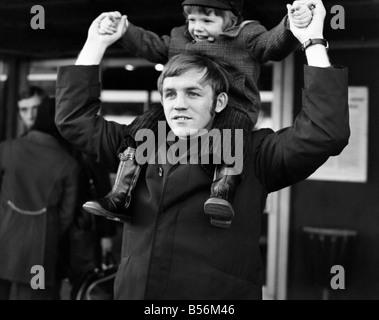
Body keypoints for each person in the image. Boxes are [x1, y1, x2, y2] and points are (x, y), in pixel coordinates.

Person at [55, 0, 350, 299]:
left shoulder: (254, 153)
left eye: (193, 93)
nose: (178, 104)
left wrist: (311, 40)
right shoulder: (139, 143)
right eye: (169, 93)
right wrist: (96, 43)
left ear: (220, 101)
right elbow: (73, 119)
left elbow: (324, 133)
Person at [82, 0, 314, 228]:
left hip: (234, 105)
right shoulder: (180, 39)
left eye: (207, 20)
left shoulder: (246, 36)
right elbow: (151, 45)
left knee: (231, 131)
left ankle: (222, 192)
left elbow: (272, 43)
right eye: (192, 20)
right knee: (143, 125)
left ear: (231, 20)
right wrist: (125, 31)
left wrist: (291, 22)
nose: (197, 27)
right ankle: (121, 194)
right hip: (186, 108)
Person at [0, 96, 79, 300]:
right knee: (37, 292)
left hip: (4, 240)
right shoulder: (68, 163)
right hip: (41, 249)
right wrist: (48, 227)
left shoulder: (7, 149)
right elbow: (66, 216)